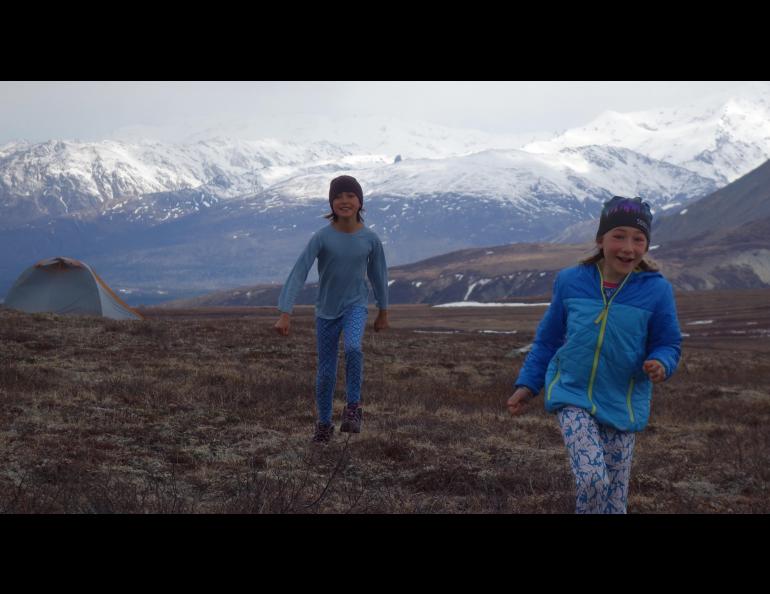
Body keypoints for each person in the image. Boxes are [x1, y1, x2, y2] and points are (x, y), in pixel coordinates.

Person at [507, 196, 681, 513]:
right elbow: (548, 339)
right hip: (572, 393)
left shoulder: (656, 290)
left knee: (614, 501)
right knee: (592, 481)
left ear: (646, 244)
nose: (628, 247)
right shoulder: (571, 281)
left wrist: (662, 363)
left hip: (622, 402)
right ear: (600, 239)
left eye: (638, 239)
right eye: (618, 236)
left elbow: (668, 343)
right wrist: (528, 384)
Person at [274, 175, 389, 443]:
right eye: (338, 196)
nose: (344, 201)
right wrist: (285, 312)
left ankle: (353, 408)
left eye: (350, 195)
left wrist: (384, 311)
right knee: (326, 372)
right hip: (326, 310)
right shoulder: (322, 237)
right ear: (331, 202)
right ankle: (324, 425)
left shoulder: (370, 239)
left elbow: (379, 276)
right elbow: (299, 271)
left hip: (356, 306)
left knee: (353, 348)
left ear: (360, 201)